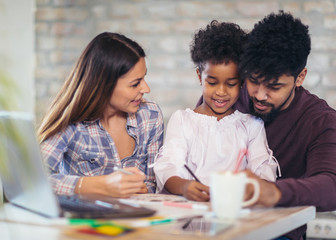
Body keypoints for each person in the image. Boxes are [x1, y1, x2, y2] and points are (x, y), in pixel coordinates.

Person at [236, 11, 336, 239]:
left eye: (274, 86)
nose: (259, 95)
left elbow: (331, 186)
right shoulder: (229, 95)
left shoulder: (320, 120)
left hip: (278, 233)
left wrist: (273, 191)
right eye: (253, 80)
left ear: (300, 77)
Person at [153, 20, 279, 202]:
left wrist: (249, 188)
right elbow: (169, 166)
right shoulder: (182, 121)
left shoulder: (251, 126)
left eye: (231, 84)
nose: (221, 92)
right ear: (199, 77)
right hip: (190, 213)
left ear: (242, 82)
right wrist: (184, 186)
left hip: (235, 214)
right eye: (212, 83)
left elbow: (263, 170)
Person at [38, 32, 164, 198]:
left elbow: (154, 183)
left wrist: (143, 189)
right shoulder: (71, 122)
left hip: (138, 219)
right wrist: (98, 185)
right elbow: (35, 181)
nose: (146, 89)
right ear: (105, 85)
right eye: (135, 84)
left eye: (143, 78)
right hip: (85, 220)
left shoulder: (150, 116)